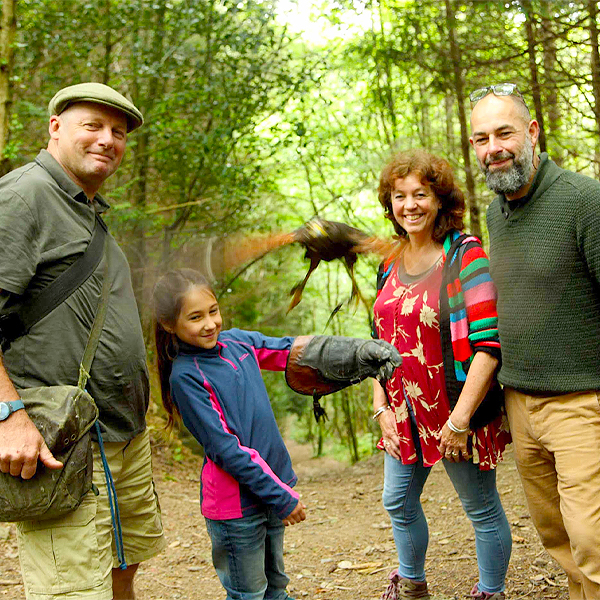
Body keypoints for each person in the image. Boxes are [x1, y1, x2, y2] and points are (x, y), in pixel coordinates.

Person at [0, 83, 166, 600]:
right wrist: (8, 416)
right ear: (56, 127)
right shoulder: (23, 197)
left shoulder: (87, 209)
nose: (107, 140)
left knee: (123, 564)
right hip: (60, 441)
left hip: (121, 434)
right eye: (92, 125)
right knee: (72, 590)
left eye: (117, 132)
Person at [152, 268, 402, 600]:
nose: (210, 323)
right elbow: (226, 449)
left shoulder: (237, 341)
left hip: (268, 494)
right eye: (195, 317)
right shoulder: (186, 377)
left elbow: (289, 350)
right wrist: (280, 496)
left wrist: (358, 353)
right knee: (249, 594)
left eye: (213, 311)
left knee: (276, 587)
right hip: (235, 507)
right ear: (170, 324)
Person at [469, 83, 600, 599]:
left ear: (531, 131)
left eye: (504, 133)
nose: (494, 148)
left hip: (583, 404)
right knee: (557, 537)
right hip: (520, 404)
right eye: (481, 139)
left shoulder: (583, 200)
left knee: (593, 538)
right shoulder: (494, 215)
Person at [372, 149, 512, 600]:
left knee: (481, 509)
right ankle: (412, 584)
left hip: (455, 410)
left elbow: (489, 348)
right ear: (389, 204)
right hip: (405, 412)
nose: (409, 205)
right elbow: (377, 344)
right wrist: (381, 409)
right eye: (399, 196)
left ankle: (490, 592)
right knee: (397, 500)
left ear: (439, 200)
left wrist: (460, 421)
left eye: (420, 194)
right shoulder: (388, 263)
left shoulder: (465, 255)